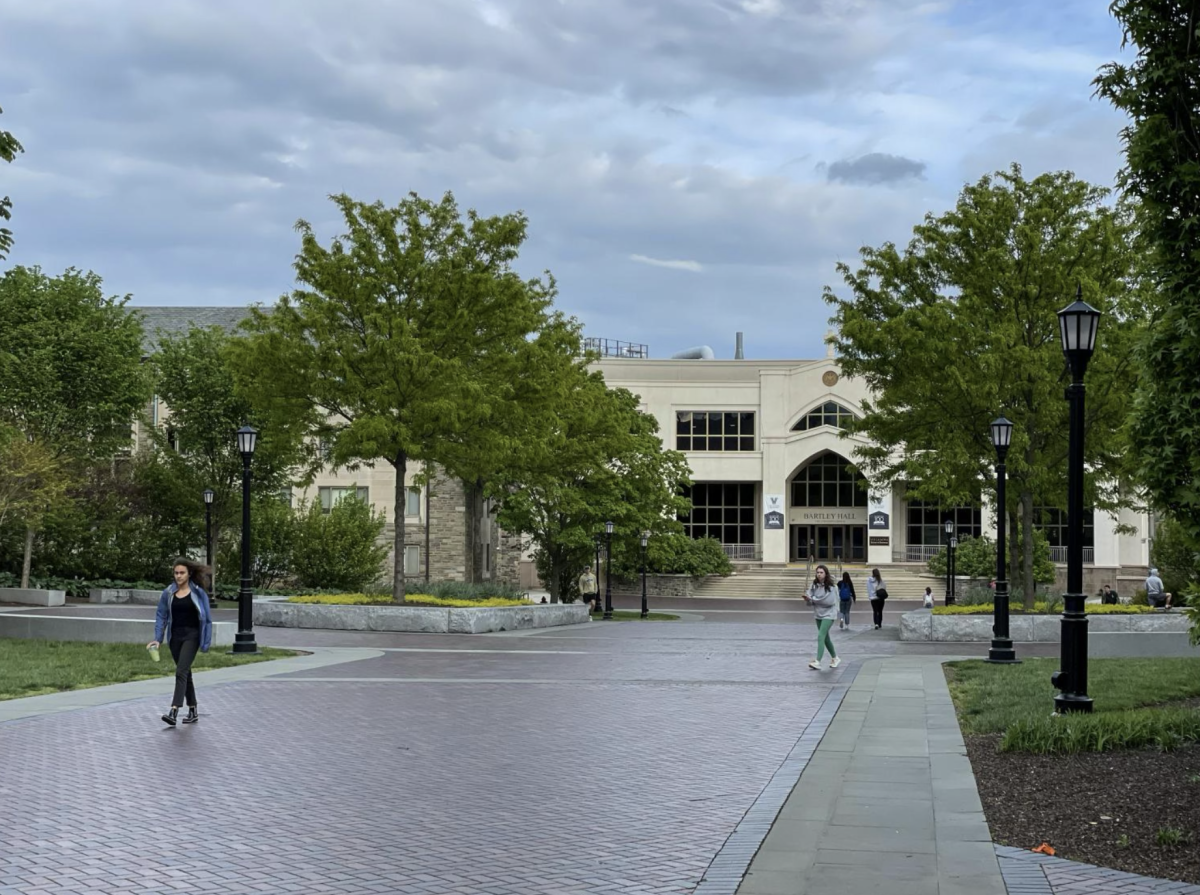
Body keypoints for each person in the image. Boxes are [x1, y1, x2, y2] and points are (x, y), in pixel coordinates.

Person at [148, 559, 214, 727]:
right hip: (175, 638)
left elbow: (206, 619)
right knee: (185, 673)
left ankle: (174, 710)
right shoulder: (168, 593)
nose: (178, 576)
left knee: (180, 671)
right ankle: (193, 710)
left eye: (182, 573)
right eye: (176, 573)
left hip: (192, 637)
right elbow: (161, 616)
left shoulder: (198, 593)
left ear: (189, 574)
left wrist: (205, 642)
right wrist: (158, 638)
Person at [804, 564, 840, 670]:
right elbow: (810, 601)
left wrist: (813, 599)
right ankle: (835, 657)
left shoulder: (832, 586)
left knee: (820, 636)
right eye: (818, 572)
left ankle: (818, 661)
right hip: (818, 613)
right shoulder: (814, 585)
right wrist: (808, 599)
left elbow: (829, 601)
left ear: (826, 573)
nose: (819, 574)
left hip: (829, 614)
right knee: (825, 638)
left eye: (821, 572)